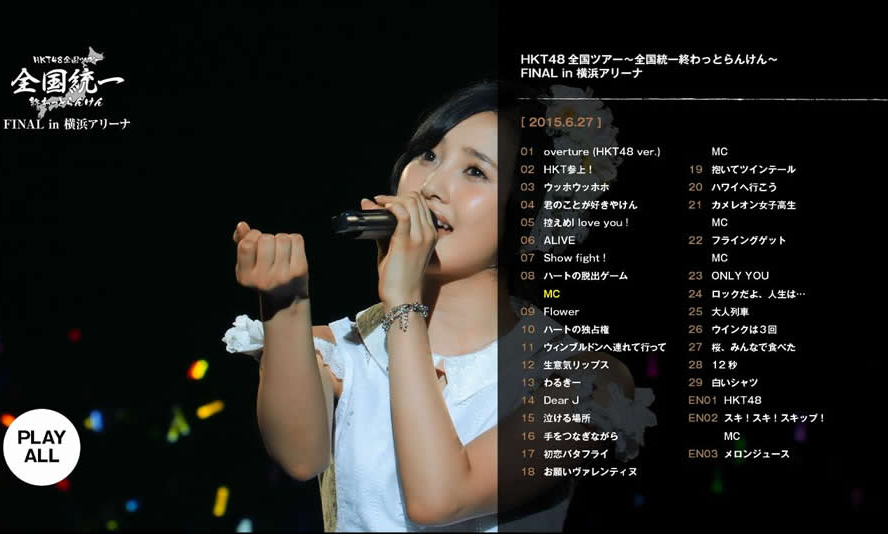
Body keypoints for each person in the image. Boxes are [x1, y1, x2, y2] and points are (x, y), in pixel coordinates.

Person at [223, 80, 657, 531]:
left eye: (475, 171)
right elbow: (299, 456)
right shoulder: (342, 349)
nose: (431, 186)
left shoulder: (581, 380)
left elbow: (439, 499)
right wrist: (286, 304)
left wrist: (403, 305)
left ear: (531, 217)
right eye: (429, 155)